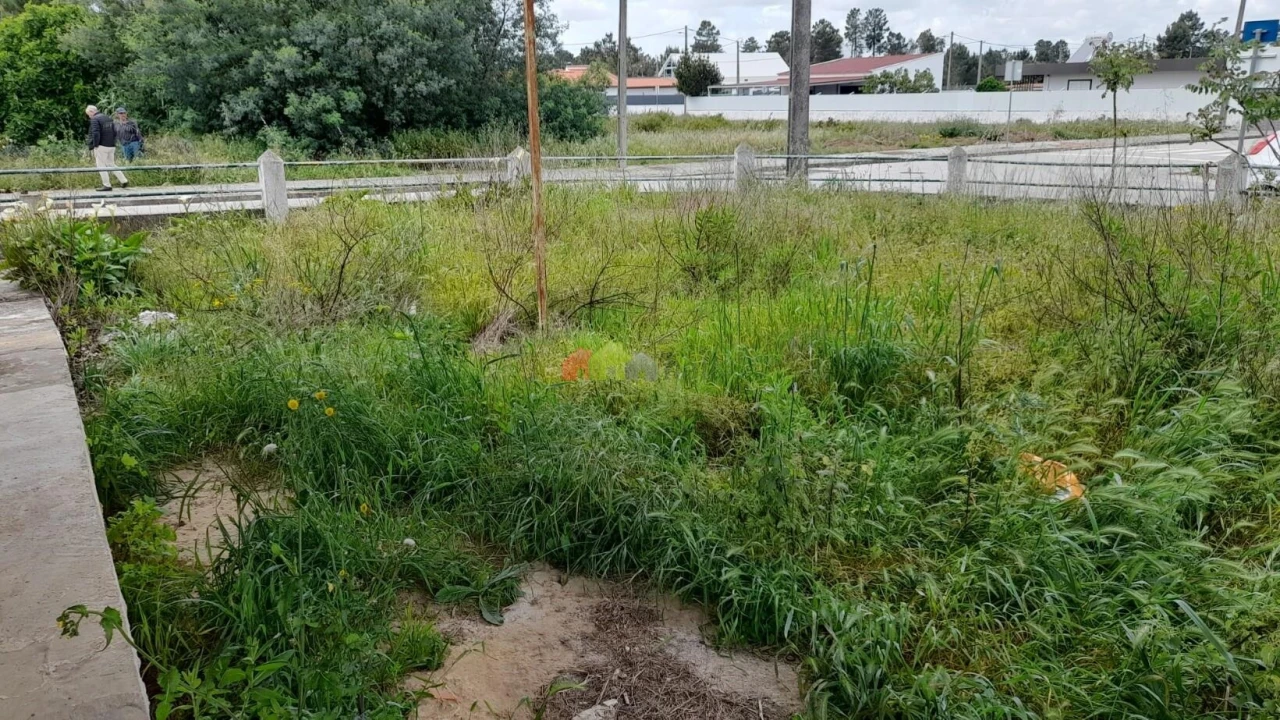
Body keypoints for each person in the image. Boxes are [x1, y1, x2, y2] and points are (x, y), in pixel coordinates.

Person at [86, 105, 127, 191]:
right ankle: (123, 180)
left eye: (88, 114)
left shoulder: (95, 119)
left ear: (91, 112)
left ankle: (107, 185)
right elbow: (115, 131)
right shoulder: (107, 118)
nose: (89, 116)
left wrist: (95, 145)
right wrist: (113, 143)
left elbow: (96, 133)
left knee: (101, 165)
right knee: (111, 164)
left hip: (101, 146)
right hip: (111, 145)